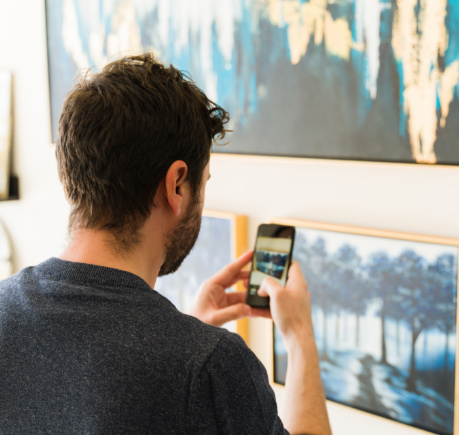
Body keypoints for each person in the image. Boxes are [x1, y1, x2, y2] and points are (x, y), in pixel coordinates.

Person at [0, 53, 331, 434]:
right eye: (204, 183)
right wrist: (300, 338)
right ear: (177, 184)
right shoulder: (212, 366)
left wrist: (187, 332)